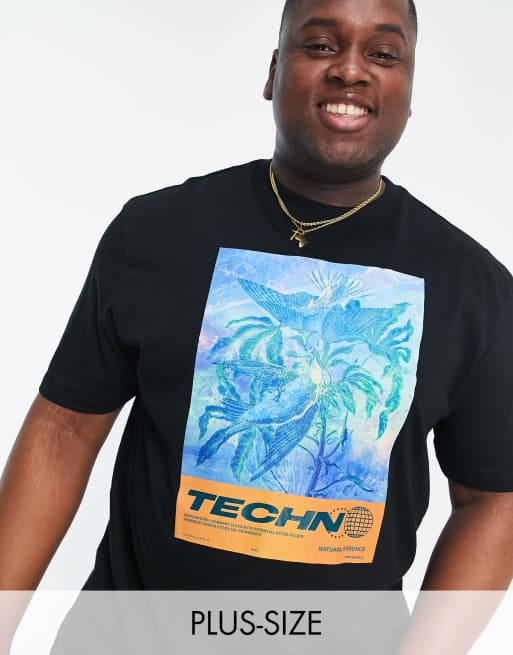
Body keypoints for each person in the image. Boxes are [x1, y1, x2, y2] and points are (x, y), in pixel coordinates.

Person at [1, 0, 512, 611]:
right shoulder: (156, 232)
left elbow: (493, 501)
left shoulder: (474, 286)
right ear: (273, 72)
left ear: (408, 91)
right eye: (320, 45)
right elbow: (64, 431)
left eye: (383, 54)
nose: (350, 70)